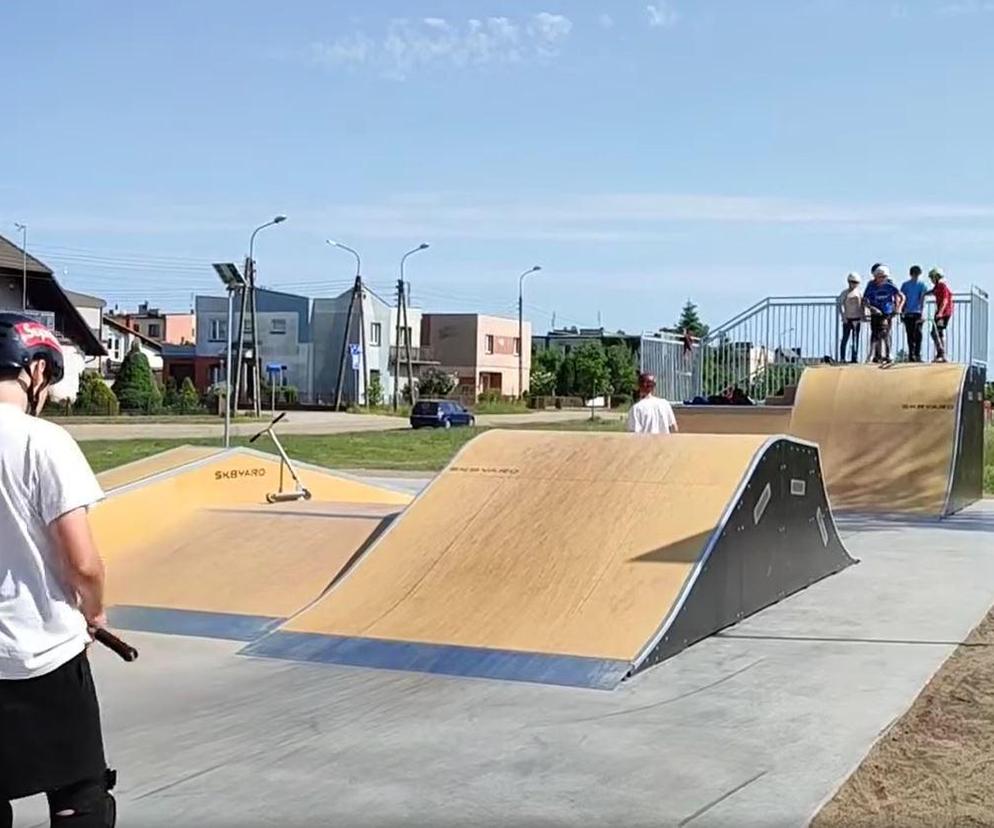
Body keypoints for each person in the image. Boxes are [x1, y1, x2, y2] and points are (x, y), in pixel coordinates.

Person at [0, 314, 117, 828]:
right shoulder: (43, 442)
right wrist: (94, 611)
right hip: (42, 653)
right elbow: (83, 563)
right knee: (80, 796)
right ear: (37, 370)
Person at [862, 264, 904, 364]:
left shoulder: (890, 285)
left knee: (886, 332)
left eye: (884, 277)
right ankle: (872, 354)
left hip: (887, 312)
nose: (882, 279)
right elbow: (864, 300)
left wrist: (898, 308)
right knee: (875, 334)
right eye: (880, 277)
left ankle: (889, 353)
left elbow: (902, 296)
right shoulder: (871, 286)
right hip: (876, 312)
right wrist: (871, 308)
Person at [900, 265, 928, 362]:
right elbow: (902, 299)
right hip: (908, 312)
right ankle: (912, 355)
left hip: (917, 312)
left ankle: (917, 354)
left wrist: (922, 311)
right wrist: (902, 311)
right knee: (910, 334)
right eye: (914, 274)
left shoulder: (922, 285)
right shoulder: (905, 285)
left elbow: (922, 299)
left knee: (918, 334)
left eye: (917, 274)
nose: (916, 276)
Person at [927, 267, 954, 362]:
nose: (931, 280)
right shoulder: (937, 286)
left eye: (932, 278)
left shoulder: (942, 285)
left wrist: (940, 313)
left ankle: (941, 354)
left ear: (936, 277)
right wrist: (924, 294)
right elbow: (933, 291)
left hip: (944, 313)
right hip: (940, 312)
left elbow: (945, 300)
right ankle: (940, 353)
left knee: (936, 332)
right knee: (937, 333)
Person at [836, 272, 864, 363]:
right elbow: (839, 304)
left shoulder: (860, 292)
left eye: (856, 282)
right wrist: (843, 316)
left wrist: (862, 316)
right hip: (847, 319)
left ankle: (854, 357)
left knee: (855, 339)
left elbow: (863, 305)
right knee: (845, 338)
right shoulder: (844, 293)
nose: (853, 284)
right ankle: (842, 357)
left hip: (857, 318)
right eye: (852, 282)